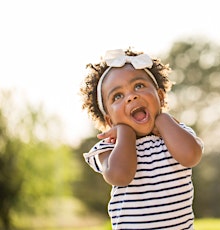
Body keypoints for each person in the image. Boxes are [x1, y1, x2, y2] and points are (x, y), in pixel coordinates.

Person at [80, 48, 203, 229]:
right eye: (118, 96)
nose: (131, 96)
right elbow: (120, 176)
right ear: (109, 120)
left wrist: (163, 119)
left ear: (160, 97)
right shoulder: (109, 148)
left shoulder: (174, 133)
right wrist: (125, 134)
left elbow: (191, 156)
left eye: (138, 86)